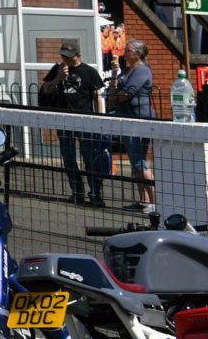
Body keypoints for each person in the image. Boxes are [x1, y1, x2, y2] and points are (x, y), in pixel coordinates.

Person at [40, 39, 110, 207]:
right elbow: (46, 90)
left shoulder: (89, 72)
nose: (66, 60)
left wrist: (99, 118)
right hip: (63, 120)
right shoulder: (57, 69)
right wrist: (59, 77)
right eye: (63, 56)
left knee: (89, 158)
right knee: (69, 158)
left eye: (69, 57)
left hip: (85, 120)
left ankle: (95, 193)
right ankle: (77, 192)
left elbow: (97, 96)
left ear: (78, 55)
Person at [109, 39, 158, 213]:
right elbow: (112, 93)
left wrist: (115, 96)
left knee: (139, 161)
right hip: (128, 120)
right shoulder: (126, 71)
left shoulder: (142, 70)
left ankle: (155, 201)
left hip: (140, 120)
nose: (124, 53)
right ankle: (143, 200)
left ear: (137, 54)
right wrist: (115, 74)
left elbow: (126, 94)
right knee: (135, 161)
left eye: (128, 50)